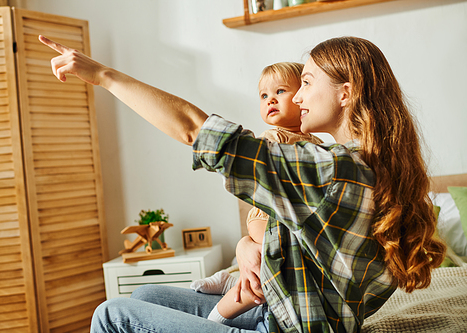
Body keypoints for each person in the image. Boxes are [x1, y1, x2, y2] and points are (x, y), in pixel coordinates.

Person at [39, 35, 446, 333]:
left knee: (112, 315)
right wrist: (248, 244)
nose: (298, 97)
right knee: (146, 297)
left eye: (306, 82)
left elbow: (195, 130)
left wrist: (103, 75)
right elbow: (302, 245)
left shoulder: (333, 169)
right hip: (289, 310)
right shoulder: (381, 172)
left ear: (346, 92)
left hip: (289, 327)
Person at [190, 62, 323, 325]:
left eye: (280, 91)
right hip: (267, 214)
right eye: (264, 96)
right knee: (271, 264)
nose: (270, 100)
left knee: (271, 260)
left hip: (288, 216)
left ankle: (231, 277)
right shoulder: (275, 136)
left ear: (301, 97)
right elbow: (255, 169)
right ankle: (213, 320)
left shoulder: (317, 143)